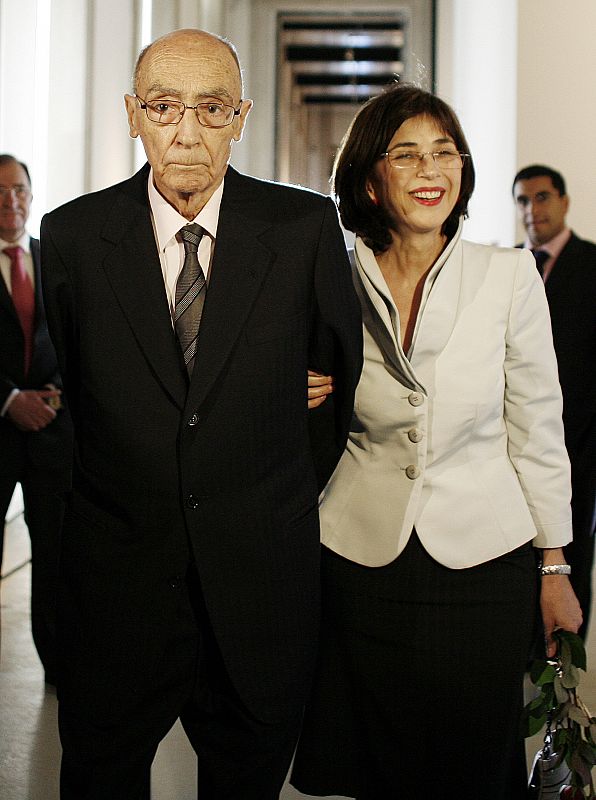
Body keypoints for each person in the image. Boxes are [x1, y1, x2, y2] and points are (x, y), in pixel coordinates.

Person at [40, 28, 361, 800]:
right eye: (163, 106)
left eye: (211, 108)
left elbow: (335, 388)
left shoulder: (304, 228)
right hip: (118, 582)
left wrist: (260, 490)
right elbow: (79, 399)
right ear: (132, 114)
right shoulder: (73, 236)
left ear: (241, 117)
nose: (186, 131)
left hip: (257, 583)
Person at [291, 84, 582, 800]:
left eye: (445, 151)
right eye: (407, 153)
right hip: (361, 558)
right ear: (370, 177)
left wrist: (555, 566)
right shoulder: (332, 274)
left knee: (474, 765)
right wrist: (287, 383)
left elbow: (537, 422)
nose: (431, 169)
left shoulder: (508, 274)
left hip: (483, 560)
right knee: (377, 765)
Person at [513, 164, 596, 639]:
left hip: (579, 452)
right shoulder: (509, 267)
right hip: (515, 452)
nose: (532, 210)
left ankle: (561, 685)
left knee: (571, 564)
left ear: (564, 202)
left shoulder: (592, 265)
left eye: (541, 198)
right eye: (523, 201)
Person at [0, 154, 72, 685]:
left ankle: (56, 667)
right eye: (1, 191)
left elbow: (83, 339)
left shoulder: (55, 258)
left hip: (52, 431)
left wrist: (59, 394)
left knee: (56, 556)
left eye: (20, 189)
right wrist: (7, 400)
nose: (11, 201)